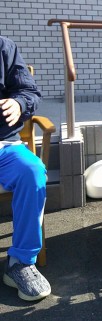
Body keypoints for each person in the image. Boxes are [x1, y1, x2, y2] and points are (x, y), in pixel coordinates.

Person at [0, 36, 51, 301]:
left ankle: (20, 262)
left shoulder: (4, 48)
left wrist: (18, 103)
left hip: (5, 145)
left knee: (32, 171)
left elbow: (29, 92)